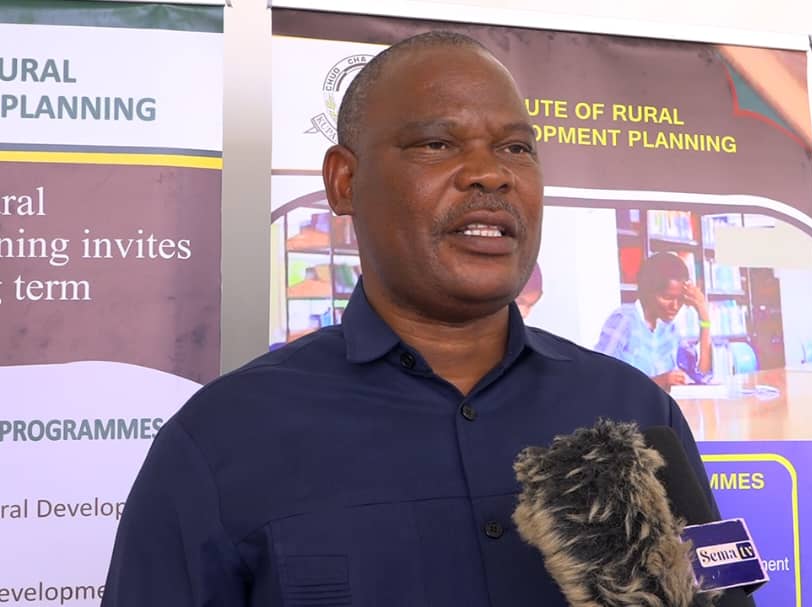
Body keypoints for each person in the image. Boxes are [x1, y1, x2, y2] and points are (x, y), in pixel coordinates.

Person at [101, 32, 730, 607]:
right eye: (437, 143)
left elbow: (719, 595)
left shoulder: (635, 411)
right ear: (344, 182)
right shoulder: (222, 439)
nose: (491, 173)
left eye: (516, 148)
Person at [595, 251, 713, 391]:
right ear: (648, 292)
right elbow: (600, 379)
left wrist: (704, 315)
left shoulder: (670, 330)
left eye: (680, 299)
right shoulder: (624, 320)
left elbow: (701, 375)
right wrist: (659, 381)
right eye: (667, 298)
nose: (675, 306)